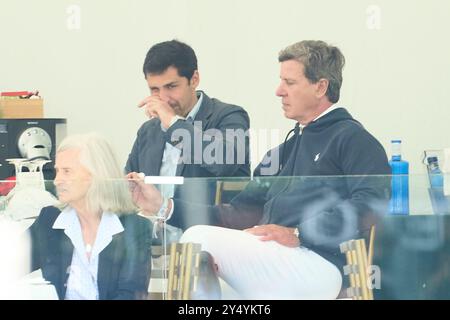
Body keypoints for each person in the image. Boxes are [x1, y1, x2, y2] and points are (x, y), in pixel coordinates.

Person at [128, 40, 391, 299]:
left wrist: (300, 233)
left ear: (320, 87)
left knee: (196, 238)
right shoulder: (281, 152)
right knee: (195, 247)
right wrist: (164, 207)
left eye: (289, 82)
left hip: (323, 265)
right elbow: (236, 215)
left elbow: (373, 202)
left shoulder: (351, 137)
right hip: (275, 261)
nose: (279, 91)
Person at [126, 39, 250, 208]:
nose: (162, 98)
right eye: (154, 89)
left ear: (194, 79)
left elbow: (225, 161)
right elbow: (127, 188)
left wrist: (173, 123)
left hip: (207, 231)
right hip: (155, 232)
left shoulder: (228, 116)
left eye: (171, 86)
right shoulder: (148, 130)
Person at [30, 133, 152, 300]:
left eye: (67, 172)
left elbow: (131, 294)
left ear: (96, 176)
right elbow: (10, 264)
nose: (57, 180)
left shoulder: (135, 227)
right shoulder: (49, 220)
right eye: (57, 171)